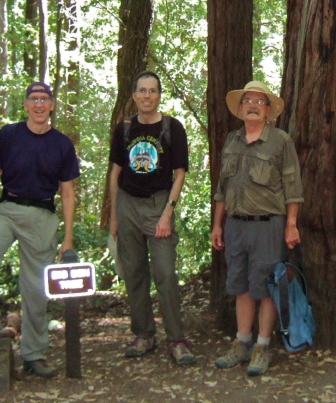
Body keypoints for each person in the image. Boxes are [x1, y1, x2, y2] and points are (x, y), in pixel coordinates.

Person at [0, 82, 80, 378]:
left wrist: (67, 238)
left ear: (52, 105)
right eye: (33, 99)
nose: (39, 104)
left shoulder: (62, 144)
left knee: (36, 287)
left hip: (41, 215)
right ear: (25, 104)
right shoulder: (9, 135)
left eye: (45, 99)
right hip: (7, 211)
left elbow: (67, 193)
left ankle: (33, 354)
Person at [211, 80, 303, 377]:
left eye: (259, 102)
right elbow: (221, 189)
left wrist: (291, 225)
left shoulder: (280, 141)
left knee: (265, 288)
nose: (252, 105)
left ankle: (262, 346)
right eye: (247, 101)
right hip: (236, 226)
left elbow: (293, 187)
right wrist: (217, 225)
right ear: (240, 108)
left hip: (268, 226)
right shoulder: (231, 140)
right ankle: (242, 343)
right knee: (241, 286)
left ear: (268, 111)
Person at [109, 71, 195, 366]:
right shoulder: (124, 129)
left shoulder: (173, 128)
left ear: (159, 95)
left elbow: (180, 173)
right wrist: (113, 217)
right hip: (127, 204)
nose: (147, 96)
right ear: (134, 96)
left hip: (159, 203)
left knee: (165, 273)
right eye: (142, 91)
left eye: (152, 91)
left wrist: (167, 213)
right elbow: (115, 172)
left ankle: (177, 339)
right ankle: (144, 334)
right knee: (133, 273)